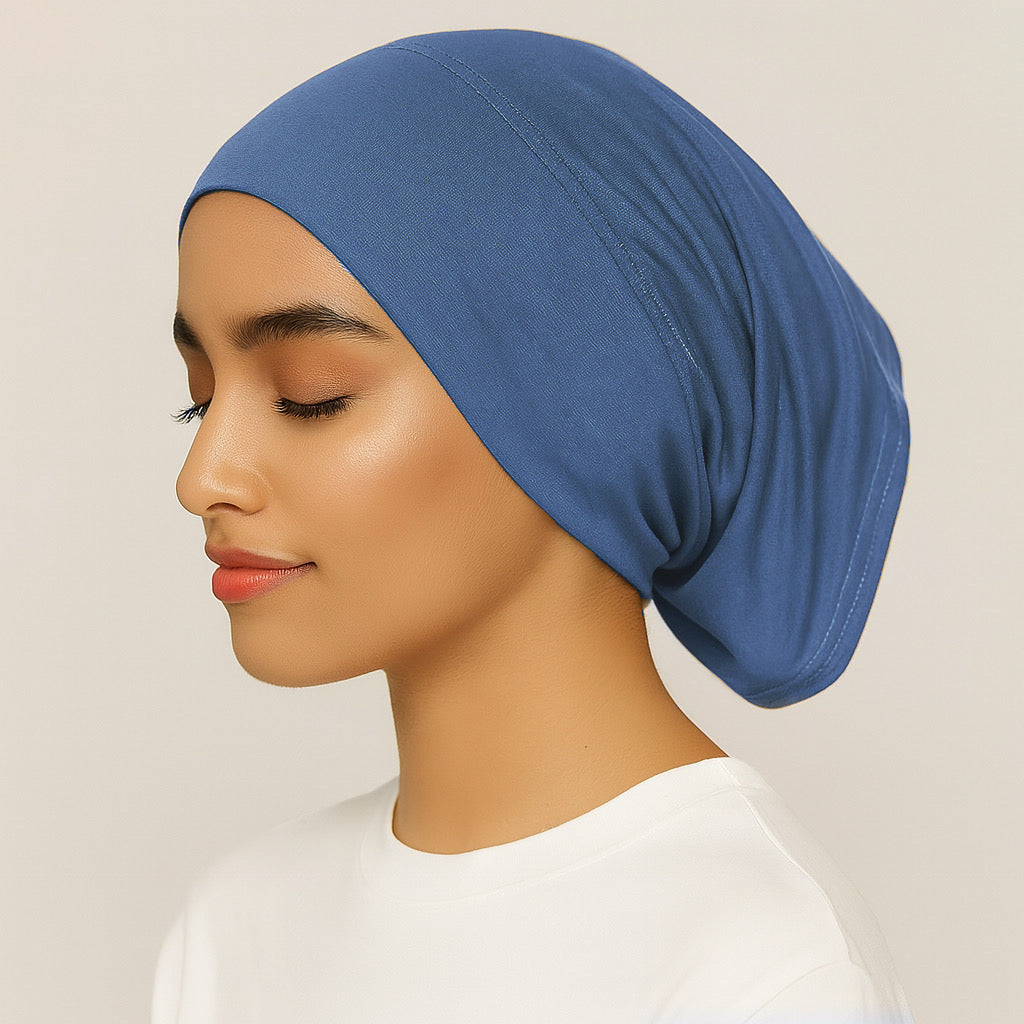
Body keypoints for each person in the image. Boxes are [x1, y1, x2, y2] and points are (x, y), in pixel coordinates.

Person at [152, 28, 913, 1023]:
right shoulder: (235, 929)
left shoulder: (762, 970)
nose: (202, 478)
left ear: (587, 410)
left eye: (309, 394)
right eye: (200, 399)